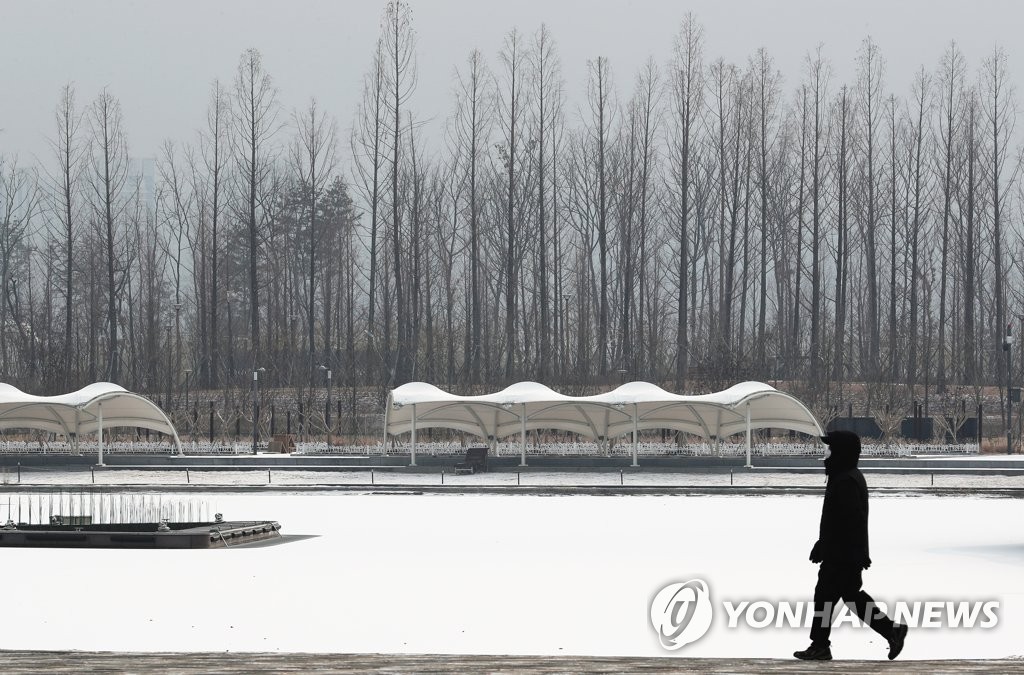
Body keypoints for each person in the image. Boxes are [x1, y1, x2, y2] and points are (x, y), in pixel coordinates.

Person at [793, 430, 908, 661]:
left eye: (831, 449)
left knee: (828, 597)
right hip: (844, 553)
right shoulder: (846, 476)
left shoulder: (846, 480)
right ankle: (889, 630)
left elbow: (847, 521)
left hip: (842, 555)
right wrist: (824, 544)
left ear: (841, 452)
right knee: (846, 596)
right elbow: (841, 521)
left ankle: (821, 645)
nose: (826, 453)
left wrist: (826, 546)